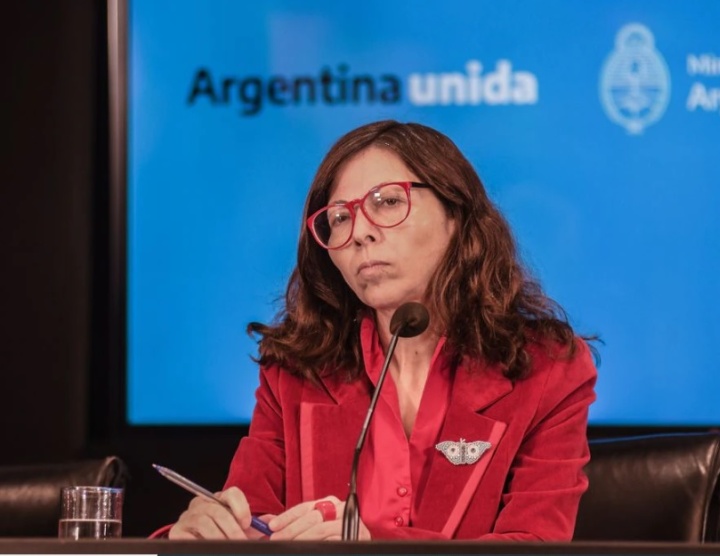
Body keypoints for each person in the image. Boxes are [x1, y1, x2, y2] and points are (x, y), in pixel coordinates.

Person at [165, 120, 597, 541]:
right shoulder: (294, 371)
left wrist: (372, 545)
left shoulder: (548, 370)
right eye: (339, 218)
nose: (359, 233)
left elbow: (533, 543)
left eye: (388, 202)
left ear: (456, 214)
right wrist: (198, 540)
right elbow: (252, 520)